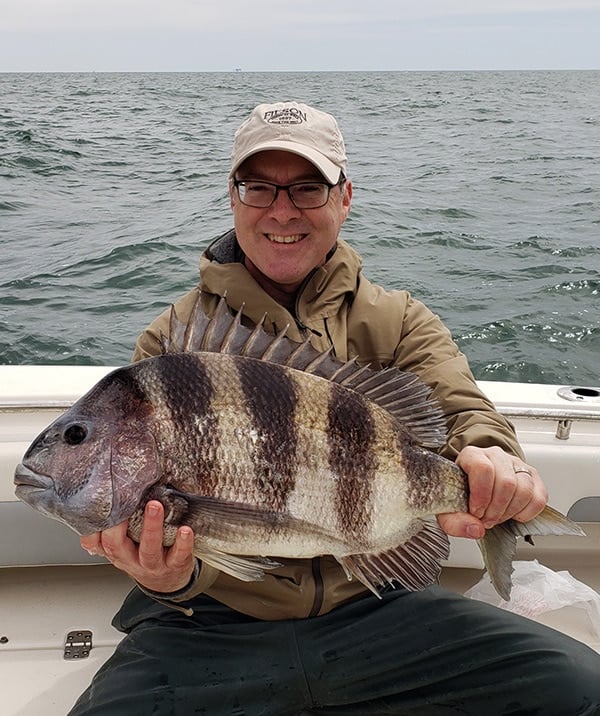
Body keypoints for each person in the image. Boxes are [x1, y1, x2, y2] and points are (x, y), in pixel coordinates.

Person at [70, 101, 600, 715]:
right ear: (234, 196)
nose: (282, 210)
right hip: (211, 623)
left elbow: (464, 415)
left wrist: (493, 460)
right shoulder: (173, 343)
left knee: (583, 691)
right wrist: (167, 578)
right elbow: (188, 540)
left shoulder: (399, 321)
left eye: (307, 188)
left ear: (344, 197)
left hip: (378, 606)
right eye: (259, 186)